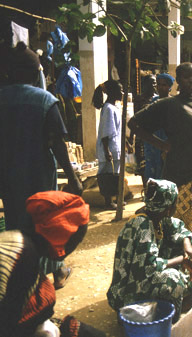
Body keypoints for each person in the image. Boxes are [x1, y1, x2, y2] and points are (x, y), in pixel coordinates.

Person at [0, 42, 82, 289]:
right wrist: (72, 176)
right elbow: (57, 142)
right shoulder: (45, 100)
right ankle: (53, 272)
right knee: (47, 223)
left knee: (17, 222)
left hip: (9, 177)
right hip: (39, 175)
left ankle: (26, 273)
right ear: (37, 73)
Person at [128, 62, 192, 254]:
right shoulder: (168, 105)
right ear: (177, 81)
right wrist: (161, 145)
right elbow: (134, 124)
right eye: (187, 77)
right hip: (183, 173)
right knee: (188, 221)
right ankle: (191, 262)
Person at [0, 190, 104, 337]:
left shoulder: (25, 246)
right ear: (62, 232)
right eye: (77, 239)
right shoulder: (22, 254)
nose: (75, 246)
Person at [107, 179, 192, 322]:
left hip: (144, 275)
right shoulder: (142, 225)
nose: (177, 206)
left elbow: (179, 229)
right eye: (175, 203)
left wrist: (187, 246)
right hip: (129, 290)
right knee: (173, 279)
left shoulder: (157, 215)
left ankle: (187, 296)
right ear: (168, 208)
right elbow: (149, 267)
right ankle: (169, 320)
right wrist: (182, 259)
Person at [93, 80, 124, 210]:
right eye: (120, 90)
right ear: (113, 92)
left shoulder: (114, 108)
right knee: (107, 175)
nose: (122, 93)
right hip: (109, 147)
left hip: (115, 146)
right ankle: (108, 201)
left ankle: (116, 199)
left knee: (115, 174)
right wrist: (107, 150)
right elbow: (106, 132)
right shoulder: (108, 109)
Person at [144, 73, 175, 181]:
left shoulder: (173, 103)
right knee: (151, 173)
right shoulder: (153, 102)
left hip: (166, 142)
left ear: (170, 87)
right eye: (159, 84)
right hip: (152, 143)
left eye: (164, 85)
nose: (160, 87)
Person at [132, 74, 157, 188]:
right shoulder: (138, 99)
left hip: (155, 136)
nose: (154, 85)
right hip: (141, 137)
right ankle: (146, 188)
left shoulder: (157, 99)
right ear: (145, 84)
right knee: (143, 164)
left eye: (155, 82)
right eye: (152, 82)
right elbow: (135, 118)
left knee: (155, 163)